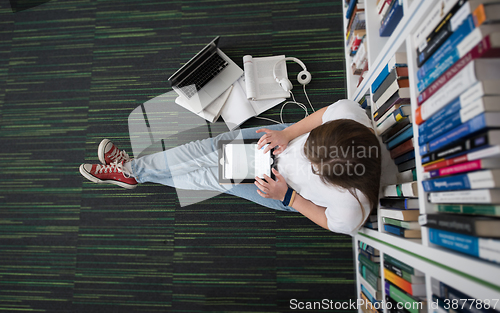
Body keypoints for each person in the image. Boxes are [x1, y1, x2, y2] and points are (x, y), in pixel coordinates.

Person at [79, 99, 382, 235]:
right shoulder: (350, 116)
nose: (308, 155)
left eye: (312, 163)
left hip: (284, 188)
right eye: (312, 146)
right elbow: (325, 114)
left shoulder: (352, 208)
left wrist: (288, 197)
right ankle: (135, 171)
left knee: (211, 176)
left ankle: (133, 172)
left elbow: (328, 220)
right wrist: (290, 135)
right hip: (283, 141)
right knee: (206, 150)